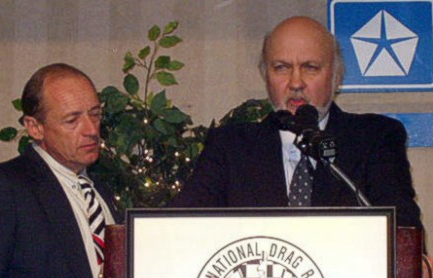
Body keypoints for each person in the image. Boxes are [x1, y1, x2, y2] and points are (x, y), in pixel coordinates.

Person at [171, 16, 422, 228]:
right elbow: (179, 222)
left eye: (310, 67)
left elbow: (403, 225)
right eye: (281, 68)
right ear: (265, 75)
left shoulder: (375, 138)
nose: (296, 83)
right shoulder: (229, 146)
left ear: (336, 77)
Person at [0, 63, 122, 278]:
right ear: (35, 127)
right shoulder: (3, 186)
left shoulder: (100, 191)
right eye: (72, 120)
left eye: (95, 114)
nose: (91, 129)